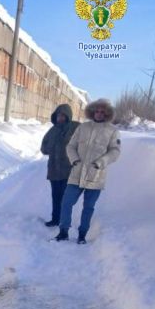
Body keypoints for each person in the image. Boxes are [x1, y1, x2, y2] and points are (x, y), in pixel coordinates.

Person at [55, 98, 121, 244]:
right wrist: (75, 160)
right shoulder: (83, 127)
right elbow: (70, 146)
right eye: (96, 111)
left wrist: (100, 163)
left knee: (88, 207)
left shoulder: (112, 131)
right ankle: (63, 231)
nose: (99, 114)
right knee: (66, 203)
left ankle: (82, 235)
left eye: (102, 112)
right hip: (77, 174)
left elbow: (115, 151)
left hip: (95, 176)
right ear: (92, 112)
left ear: (107, 113)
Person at [40, 103, 80, 227]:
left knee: (65, 199)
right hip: (54, 170)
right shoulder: (52, 131)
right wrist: (51, 148)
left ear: (68, 116)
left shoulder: (75, 128)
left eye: (63, 115)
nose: (60, 118)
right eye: (58, 115)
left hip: (69, 170)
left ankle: (64, 222)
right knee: (55, 197)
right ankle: (55, 219)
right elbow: (43, 147)